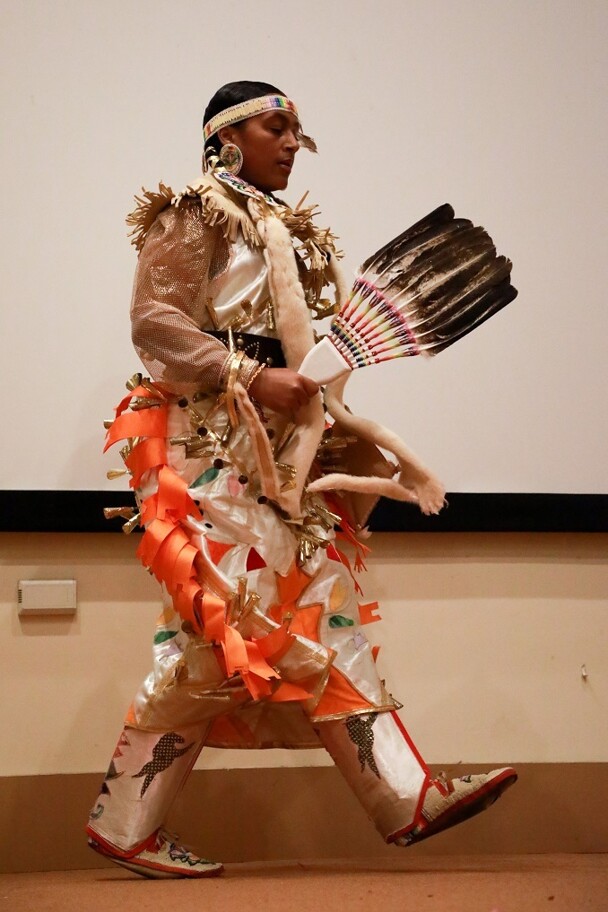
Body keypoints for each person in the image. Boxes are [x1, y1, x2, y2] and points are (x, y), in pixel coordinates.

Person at [87, 81, 517, 879]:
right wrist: (251, 375)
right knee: (222, 635)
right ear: (225, 138)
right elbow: (156, 324)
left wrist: (324, 420)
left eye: (298, 131)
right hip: (208, 455)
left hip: (277, 460)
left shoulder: (286, 232)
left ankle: (400, 796)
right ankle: (125, 819)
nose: (292, 143)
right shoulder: (193, 211)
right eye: (274, 126)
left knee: (313, 613)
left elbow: (293, 356)